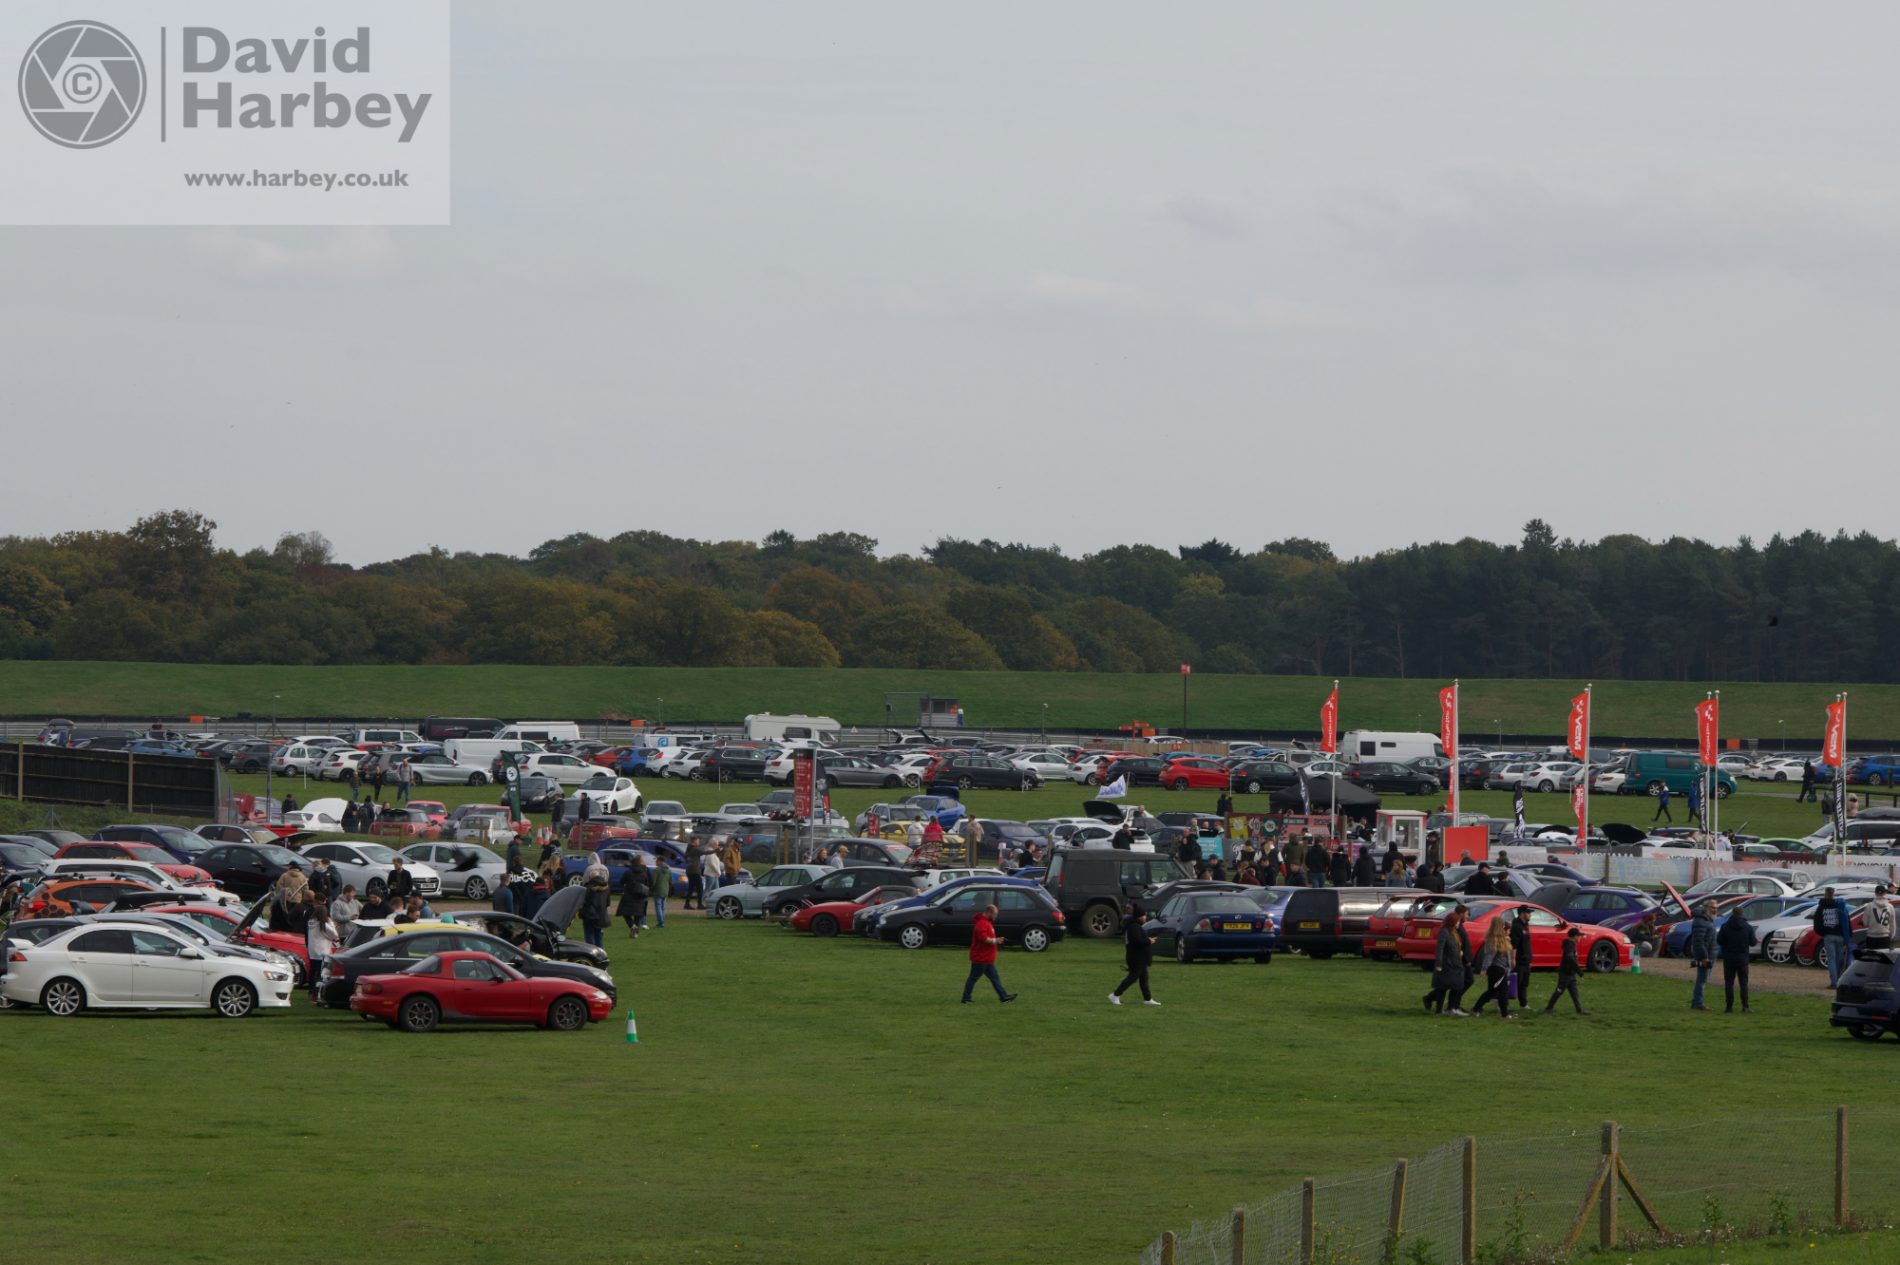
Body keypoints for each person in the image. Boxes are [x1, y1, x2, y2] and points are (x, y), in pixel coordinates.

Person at [960, 902, 1015, 1004]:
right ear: (989, 912)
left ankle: (1004, 997)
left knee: (994, 978)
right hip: (981, 958)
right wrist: (996, 941)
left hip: (986, 958)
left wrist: (996, 939)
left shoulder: (986, 922)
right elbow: (983, 939)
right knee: (973, 978)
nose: (996, 917)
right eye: (995, 914)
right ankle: (965, 998)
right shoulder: (982, 923)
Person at [1110, 905, 1160, 1005]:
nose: (1145, 917)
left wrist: (1147, 940)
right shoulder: (1134, 927)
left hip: (1139, 957)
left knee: (1144, 979)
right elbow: (1137, 941)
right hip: (1136, 957)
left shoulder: (1135, 926)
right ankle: (1115, 995)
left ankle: (1148, 999)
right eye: (1144, 915)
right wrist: (1148, 940)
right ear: (1139, 916)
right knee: (1132, 977)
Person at [1469, 919, 1516, 1018]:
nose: (1504, 927)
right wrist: (1484, 969)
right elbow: (1489, 956)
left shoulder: (1502, 939)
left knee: (1492, 992)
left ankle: (1476, 1009)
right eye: (1503, 925)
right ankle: (1504, 1014)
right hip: (1497, 969)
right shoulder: (1493, 940)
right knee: (1502, 992)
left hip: (1501, 969)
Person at [1424, 907, 1468, 1015]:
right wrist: (1439, 963)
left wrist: (1459, 952)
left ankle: (1447, 1007)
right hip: (1447, 964)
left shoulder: (1454, 932)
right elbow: (1440, 948)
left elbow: (1455, 946)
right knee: (1443, 987)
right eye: (1457, 922)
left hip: (1454, 963)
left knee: (1452, 986)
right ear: (1452, 922)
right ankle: (1440, 1009)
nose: (1458, 923)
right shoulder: (1444, 932)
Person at [1717, 902, 1754, 1014]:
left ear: (1732, 914)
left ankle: (1729, 1007)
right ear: (1742, 914)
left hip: (1729, 958)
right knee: (1743, 983)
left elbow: (1719, 941)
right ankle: (1745, 1006)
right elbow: (1752, 943)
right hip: (1742, 958)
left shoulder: (1725, 926)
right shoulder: (1748, 927)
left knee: (1729, 983)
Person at [1813, 887, 1852, 987]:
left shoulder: (1821, 907)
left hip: (1828, 936)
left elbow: (1817, 923)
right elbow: (1847, 922)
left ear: (1825, 894)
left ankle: (1834, 982)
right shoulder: (1840, 906)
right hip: (1840, 936)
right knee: (1839, 959)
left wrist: (1823, 932)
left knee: (1831, 959)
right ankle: (1839, 980)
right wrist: (1848, 936)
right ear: (1834, 894)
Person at [1544, 927, 1588, 1014]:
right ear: (1575, 936)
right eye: (1579, 936)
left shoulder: (1571, 945)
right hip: (1565, 974)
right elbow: (1570, 958)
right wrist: (1578, 970)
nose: (1580, 937)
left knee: (1574, 992)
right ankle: (1549, 1008)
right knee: (1559, 990)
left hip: (1571, 974)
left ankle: (1579, 1009)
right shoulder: (1569, 945)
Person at [1686, 902, 1716, 1010]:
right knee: (1702, 980)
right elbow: (1699, 942)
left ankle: (1696, 1002)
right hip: (1705, 955)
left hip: (1709, 954)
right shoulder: (1701, 921)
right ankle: (1698, 1003)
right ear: (1706, 908)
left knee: (1703, 980)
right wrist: (1704, 957)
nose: (1715, 910)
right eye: (1713, 907)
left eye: (1716, 907)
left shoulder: (1707, 920)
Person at [580, 857, 611, 948]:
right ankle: (600, 953)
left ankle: (591, 953)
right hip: (601, 914)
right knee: (598, 935)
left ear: (590, 877)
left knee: (589, 934)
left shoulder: (588, 888)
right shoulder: (606, 888)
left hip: (590, 914)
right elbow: (608, 902)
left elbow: (584, 901)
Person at [1509, 907, 1533, 1013]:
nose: (1530, 915)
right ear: (1522, 914)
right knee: (1515, 983)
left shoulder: (1525, 926)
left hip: (1526, 961)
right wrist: (1513, 959)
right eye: (1528, 913)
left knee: (1524, 984)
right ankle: (1500, 1001)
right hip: (1519, 961)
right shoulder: (1516, 927)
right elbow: (1514, 945)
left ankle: (1523, 1004)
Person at [618, 857, 650, 937]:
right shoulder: (644, 873)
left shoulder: (628, 872)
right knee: (638, 915)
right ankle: (635, 933)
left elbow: (621, 882)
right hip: (640, 896)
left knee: (625, 913)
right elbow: (649, 883)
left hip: (629, 895)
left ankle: (632, 926)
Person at [1864, 885, 1896, 951]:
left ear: (1875, 893)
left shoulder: (1869, 906)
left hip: (1871, 938)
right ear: (1885, 893)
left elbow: (1865, 922)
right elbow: (1892, 925)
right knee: (1883, 960)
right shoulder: (1890, 907)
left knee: (1872, 959)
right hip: (1885, 938)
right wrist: (1891, 936)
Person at [648, 854, 669, 928]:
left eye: (657, 861)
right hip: (665, 891)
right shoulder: (668, 870)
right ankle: (662, 921)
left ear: (660, 861)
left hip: (658, 891)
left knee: (658, 907)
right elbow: (670, 881)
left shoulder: (657, 870)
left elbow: (653, 881)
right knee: (663, 908)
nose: (656, 862)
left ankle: (661, 922)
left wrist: (650, 889)